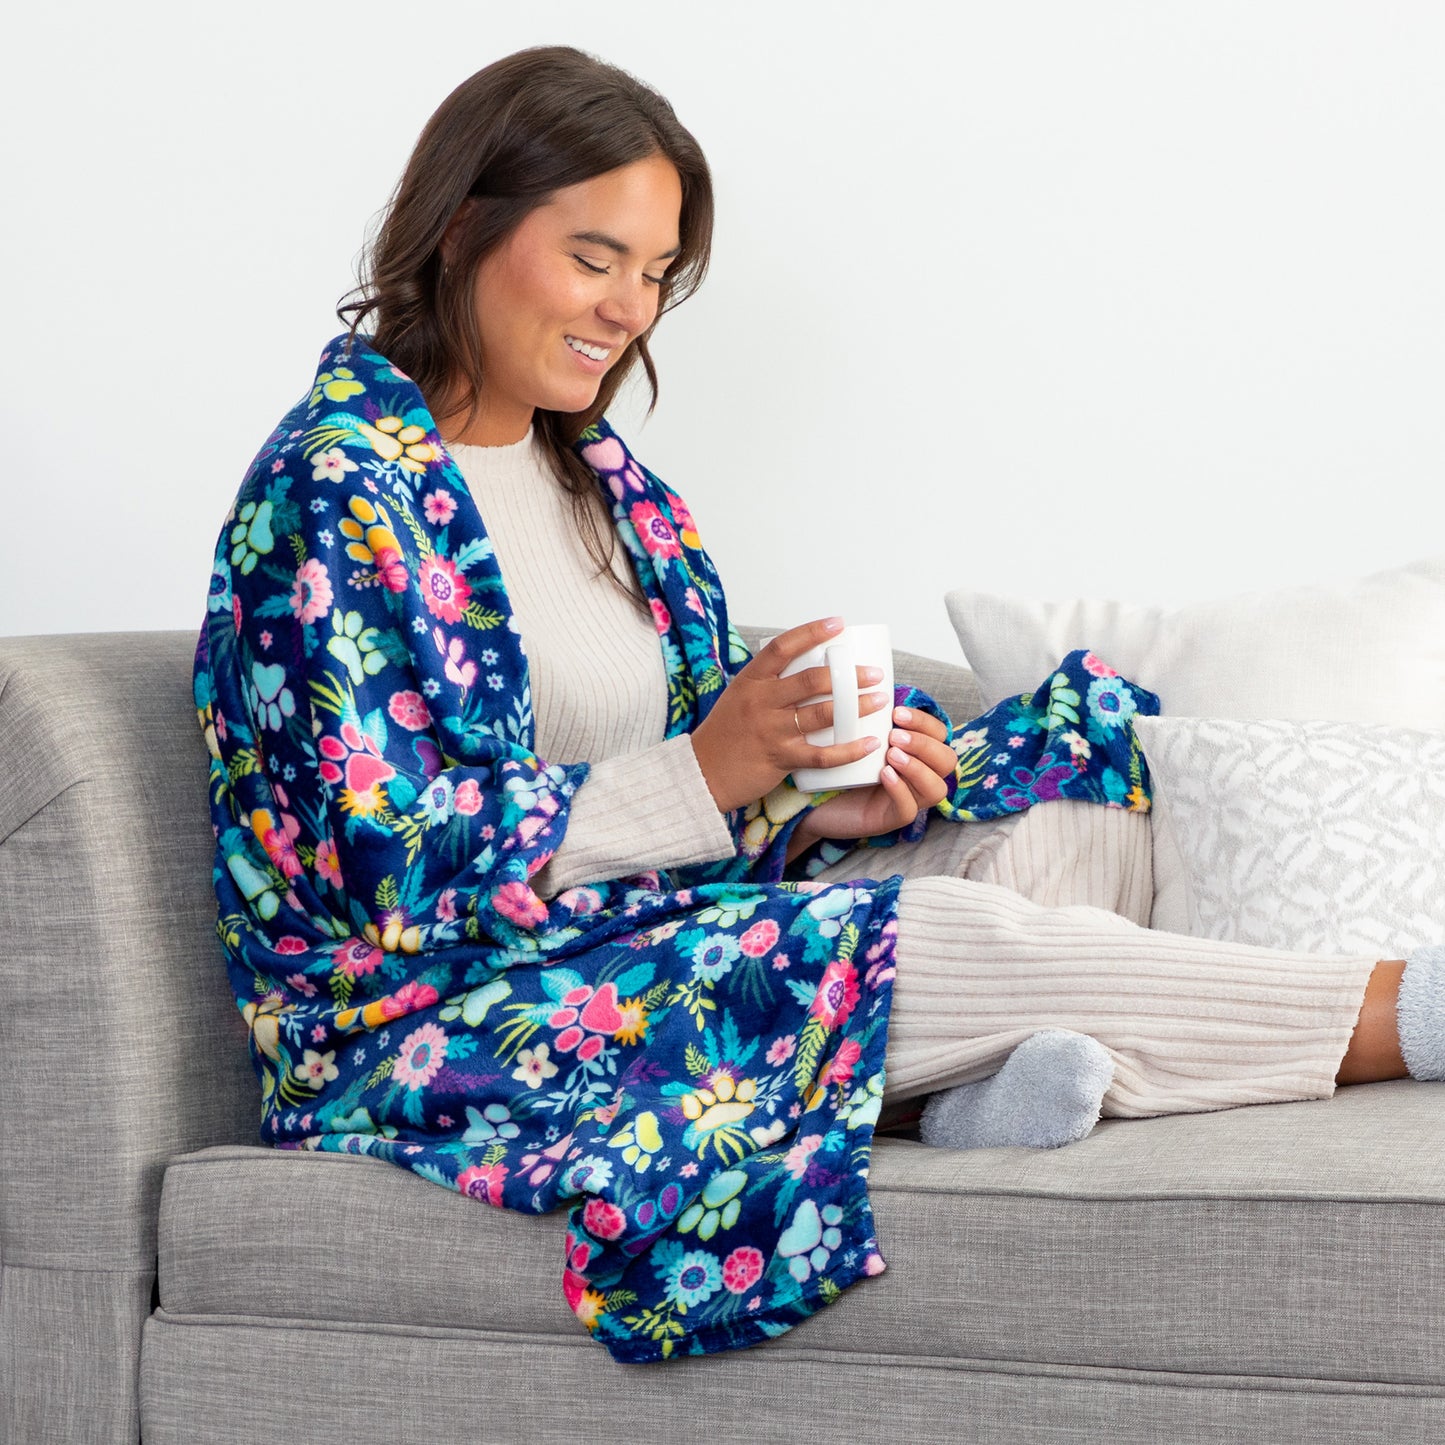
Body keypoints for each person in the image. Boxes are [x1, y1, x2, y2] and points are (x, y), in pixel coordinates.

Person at [195, 45, 1426, 1365]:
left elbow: (679, 808)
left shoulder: (606, 485)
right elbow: (387, 869)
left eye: (655, 272)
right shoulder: (332, 493)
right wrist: (711, 772)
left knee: (1061, 812)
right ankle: (1409, 1010)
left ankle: (946, 1097)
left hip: (639, 932)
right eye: (594, 257)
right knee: (912, 934)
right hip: (428, 1017)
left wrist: (806, 805)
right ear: (458, 229)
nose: (628, 308)